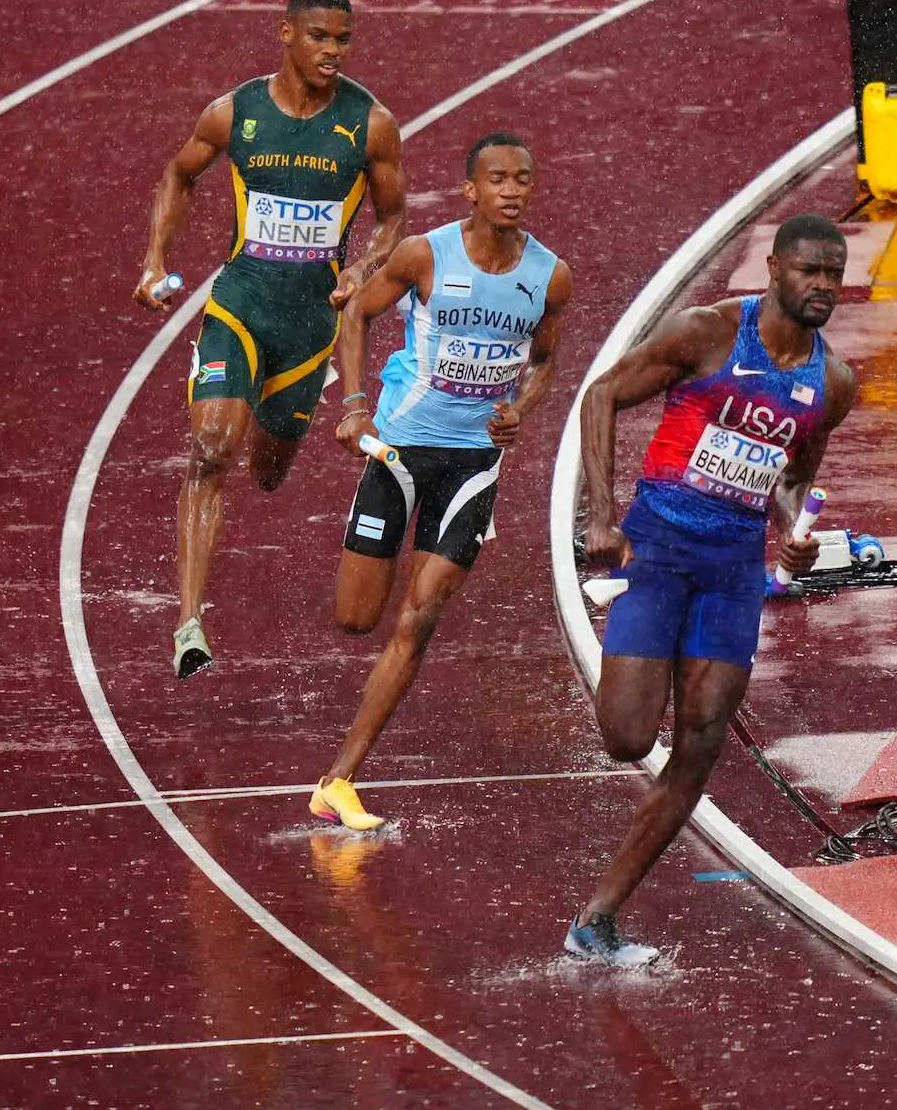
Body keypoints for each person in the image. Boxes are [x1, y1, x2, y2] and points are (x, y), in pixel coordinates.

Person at [569, 214, 857, 967]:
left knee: (701, 742)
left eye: (834, 274)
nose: (823, 285)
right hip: (659, 547)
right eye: (810, 271)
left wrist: (794, 530)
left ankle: (598, 917)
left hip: (732, 571)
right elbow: (601, 395)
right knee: (628, 737)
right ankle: (650, 647)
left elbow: (793, 477)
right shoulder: (708, 333)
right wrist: (599, 517)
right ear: (774, 268)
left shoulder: (832, 383)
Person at [133, 0, 408, 679]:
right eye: (320, 37)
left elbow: (393, 217)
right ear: (286, 34)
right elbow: (179, 173)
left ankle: (272, 414)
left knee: (268, 471)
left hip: (311, 328)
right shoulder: (235, 113)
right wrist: (155, 259)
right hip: (240, 305)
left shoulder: (370, 124)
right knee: (210, 450)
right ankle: (189, 624)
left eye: (343, 39)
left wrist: (362, 268)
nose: (333, 51)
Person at [306, 132, 573, 830]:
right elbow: (356, 313)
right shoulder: (424, 255)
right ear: (470, 190)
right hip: (399, 449)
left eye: (522, 178)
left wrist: (520, 409)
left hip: (473, 463)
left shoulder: (550, 276)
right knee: (356, 618)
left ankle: (339, 779)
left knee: (419, 618)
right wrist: (354, 405)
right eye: (497, 179)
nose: (511, 190)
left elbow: (545, 360)